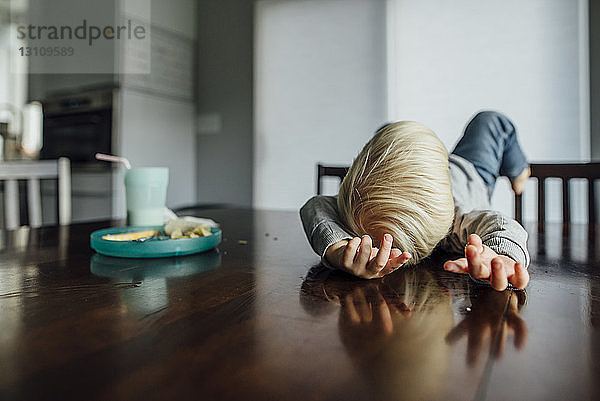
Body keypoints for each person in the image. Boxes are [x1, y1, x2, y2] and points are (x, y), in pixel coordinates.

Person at [300, 111, 531, 291]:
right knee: (388, 129)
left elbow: (504, 225)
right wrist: (338, 249)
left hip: (468, 176)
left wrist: (502, 255)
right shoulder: (356, 207)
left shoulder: (459, 223)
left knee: (491, 121)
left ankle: (518, 169)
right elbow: (316, 206)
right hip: (448, 173)